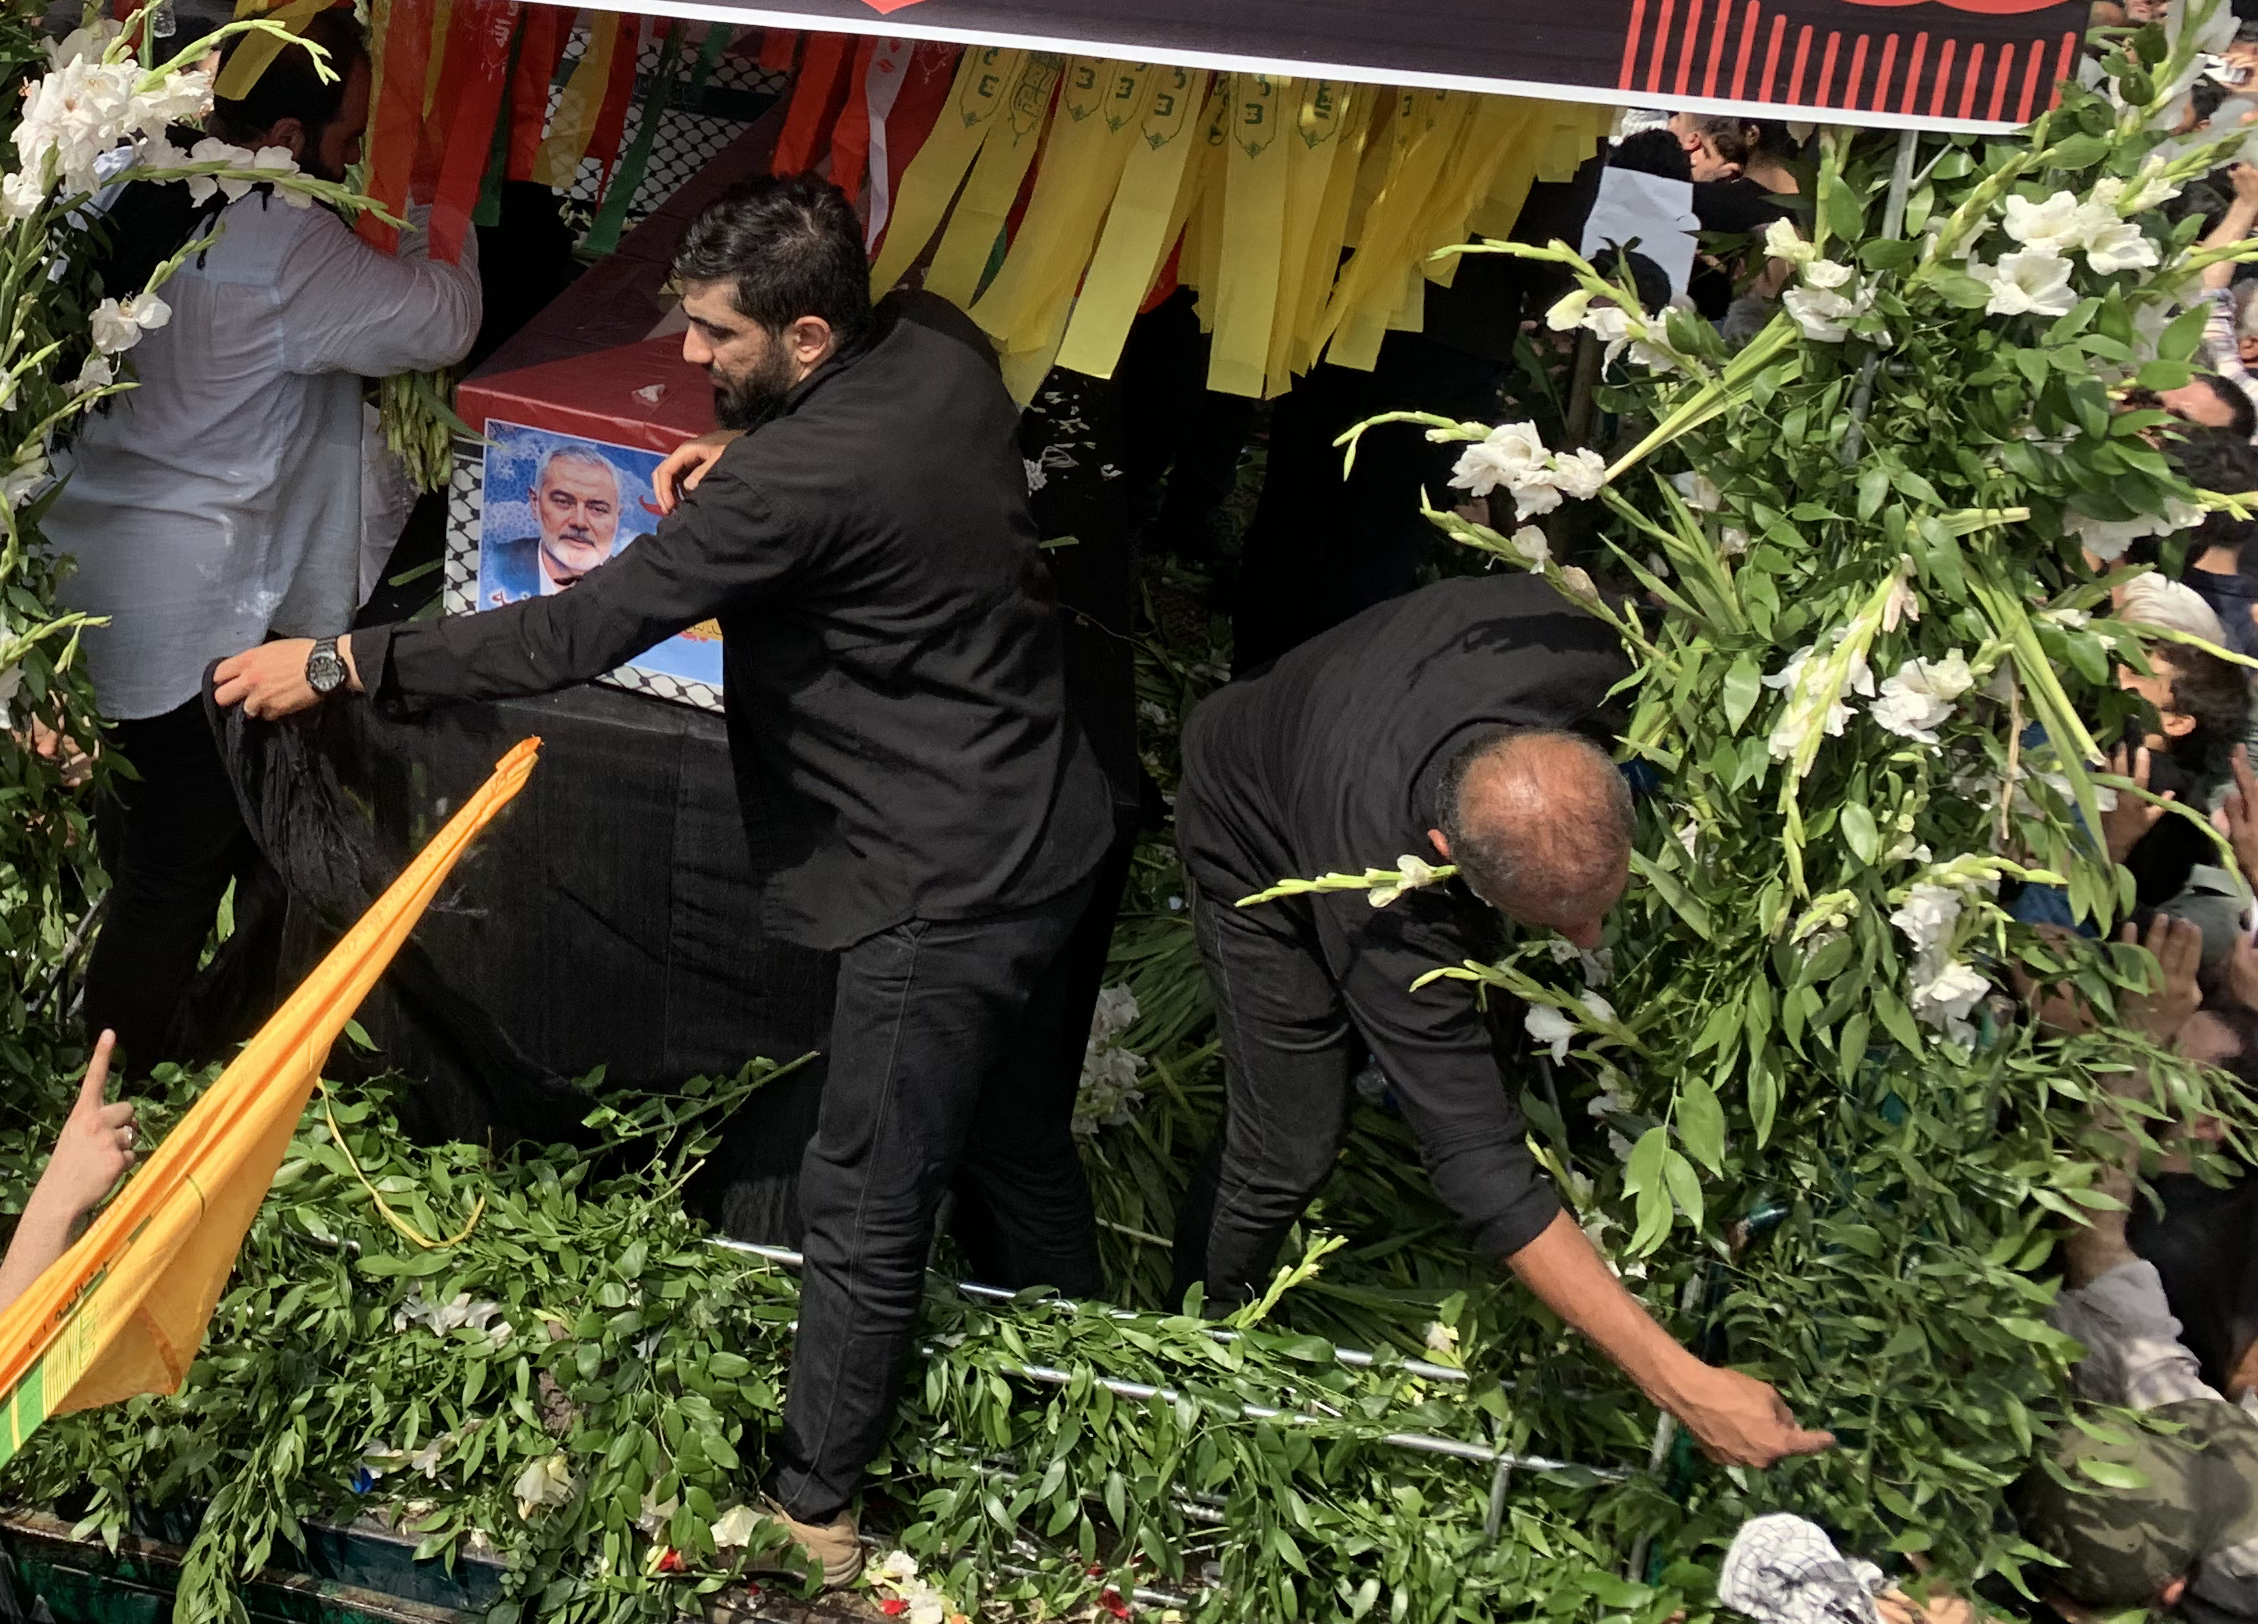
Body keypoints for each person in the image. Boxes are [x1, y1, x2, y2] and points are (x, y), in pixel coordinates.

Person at [216, 174, 1123, 1582]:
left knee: (869, 1194)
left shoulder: (800, 485)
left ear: (811, 335)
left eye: (717, 340)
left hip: (934, 880)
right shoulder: (936, 342)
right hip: (1048, 817)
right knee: (1015, 1147)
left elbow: (570, 634)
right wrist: (745, 454)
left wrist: (342, 660)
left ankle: (816, 1514)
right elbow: (844, 473)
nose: (688, 363)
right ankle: (1098, 1401)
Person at [1168, 568, 1832, 1469]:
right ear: (1443, 858)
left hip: (1362, 698)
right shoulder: (1383, 892)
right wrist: (1680, 1382)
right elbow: (1477, 1161)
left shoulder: (1595, 647)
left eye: (1601, 903)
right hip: (1252, 812)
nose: (1591, 937)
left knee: (1496, 1036)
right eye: (1561, 921)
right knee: (1289, 1136)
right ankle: (1188, 1349)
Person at [41, 22, 478, 1077]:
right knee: (176, 864)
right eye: (353, 135)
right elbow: (441, 320)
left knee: (143, 833)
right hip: (189, 603)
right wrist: (443, 201)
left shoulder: (114, 179)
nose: (355, 158)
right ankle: (102, 1092)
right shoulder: (282, 235)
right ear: (289, 130)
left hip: (72, 568)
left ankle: (135, 1039)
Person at [481, 441, 647, 601]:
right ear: (535, 503)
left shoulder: (635, 592)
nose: (580, 522)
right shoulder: (495, 565)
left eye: (598, 509)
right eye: (563, 502)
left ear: (617, 517)